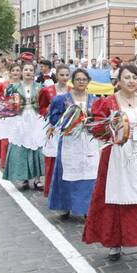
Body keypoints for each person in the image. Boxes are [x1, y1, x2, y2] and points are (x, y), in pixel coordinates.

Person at [84, 64, 137, 262]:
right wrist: (110, 128)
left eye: (134, 77)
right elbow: (97, 130)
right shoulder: (107, 103)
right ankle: (115, 242)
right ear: (119, 81)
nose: (131, 81)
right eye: (127, 77)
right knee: (116, 194)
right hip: (116, 153)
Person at [47, 69, 100, 221]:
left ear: (88, 81)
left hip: (88, 141)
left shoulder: (95, 100)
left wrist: (92, 124)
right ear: (73, 81)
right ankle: (65, 205)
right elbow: (54, 118)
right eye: (78, 79)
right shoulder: (62, 99)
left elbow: (99, 118)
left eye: (84, 79)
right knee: (67, 172)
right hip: (70, 141)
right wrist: (69, 122)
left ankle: (86, 207)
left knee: (89, 173)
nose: (81, 82)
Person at [3, 63, 45, 191]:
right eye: (25, 69)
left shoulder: (40, 87)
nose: (28, 72)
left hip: (36, 119)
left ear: (34, 72)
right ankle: (24, 177)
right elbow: (7, 101)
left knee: (37, 145)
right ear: (21, 72)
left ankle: (38, 179)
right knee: (21, 147)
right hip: (20, 120)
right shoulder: (14, 87)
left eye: (31, 70)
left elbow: (45, 103)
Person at [39, 64, 71, 196]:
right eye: (61, 75)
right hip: (53, 128)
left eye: (66, 75)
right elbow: (41, 107)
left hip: (68, 128)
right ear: (56, 75)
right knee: (52, 158)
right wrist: (50, 110)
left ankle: (64, 190)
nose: (64, 77)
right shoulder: (48, 91)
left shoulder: (72, 90)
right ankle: (51, 190)